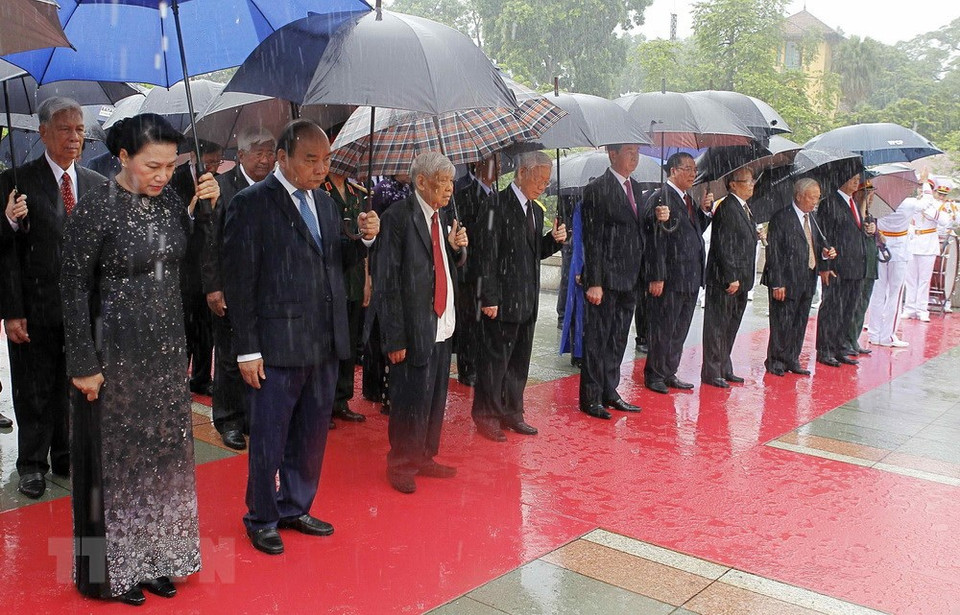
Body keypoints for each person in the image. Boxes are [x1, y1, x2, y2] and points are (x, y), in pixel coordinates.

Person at [60, 113, 219, 605]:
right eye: (153, 166)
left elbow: (186, 261)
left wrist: (206, 214)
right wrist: (83, 363)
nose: (163, 176)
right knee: (116, 466)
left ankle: (155, 561)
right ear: (124, 157)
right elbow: (72, 287)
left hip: (166, 352)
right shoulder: (95, 208)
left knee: (161, 460)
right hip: (113, 355)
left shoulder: (169, 201)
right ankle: (111, 572)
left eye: (170, 166)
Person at [222, 119, 379, 555]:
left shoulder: (325, 203)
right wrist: (247, 349)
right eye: (311, 159)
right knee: (269, 437)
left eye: (325, 159)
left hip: (324, 342)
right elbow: (240, 283)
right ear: (282, 157)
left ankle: (295, 505)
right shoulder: (252, 203)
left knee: (311, 435)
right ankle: (262, 516)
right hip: (276, 344)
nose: (320, 168)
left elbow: (333, 260)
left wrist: (363, 241)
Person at [0, 97, 106, 499]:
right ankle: (31, 463)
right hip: (35, 306)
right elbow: (6, 255)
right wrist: (9, 221)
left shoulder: (96, 184)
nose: (74, 138)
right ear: (43, 132)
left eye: (79, 130)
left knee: (72, 386)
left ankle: (65, 454)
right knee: (34, 389)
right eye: (65, 129)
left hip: (82, 310)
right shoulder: (16, 182)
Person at [375, 151, 467, 494]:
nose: (449, 189)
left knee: (434, 397)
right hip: (413, 325)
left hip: (441, 321)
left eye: (451, 182)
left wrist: (457, 249)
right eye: (443, 182)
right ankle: (401, 462)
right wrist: (395, 337)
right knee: (409, 399)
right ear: (422, 182)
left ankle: (425, 455)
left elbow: (442, 265)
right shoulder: (398, 217)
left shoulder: (442, 217)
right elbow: (387, 280)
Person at [472, 151, 565, 441]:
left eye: (546, 182)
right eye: (539, 179)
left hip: (527, 299)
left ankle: (512, 412)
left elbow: (532, 253)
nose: (542, 186)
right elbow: (485, 254)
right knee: (494, 361)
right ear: (522, 173)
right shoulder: (495, 204)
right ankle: (487, 414)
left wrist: (553, 241)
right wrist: (488, 297)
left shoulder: (536, 211)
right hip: (501, 299)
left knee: (519, 361)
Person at [200, 127, 276, 450]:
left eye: (270, 153)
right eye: (258, 152)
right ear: (241, 155)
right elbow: (209, 240)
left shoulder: (275, 187)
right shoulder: (222, 187)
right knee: (230, 356)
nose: (265, 159)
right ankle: (228, 419)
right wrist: (213, 286)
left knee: (259, 353)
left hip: (267, 288)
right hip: (231, 286)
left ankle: (252, 415)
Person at [578, 144, 650, 419]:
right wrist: (594, 281)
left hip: (630, 277)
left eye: (637, 152)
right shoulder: (597, 189)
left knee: (618, 338)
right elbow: (593, 238)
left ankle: (610, 390)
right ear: (612, 154)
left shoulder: (637, 187)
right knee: (598, 339)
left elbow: (637, 230)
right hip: (606, 279)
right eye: (629, 151)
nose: (634, 157)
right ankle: (591, 397)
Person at [642, 153, 712, 394]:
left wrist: (705, 211)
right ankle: (655, 374)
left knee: (679, 329)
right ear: (673, 170)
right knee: (664, 328)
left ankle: (669, 371)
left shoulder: (687, 199)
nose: (693, 174)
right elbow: (653, 239)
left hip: (690, 276)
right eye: (688, 169)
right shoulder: (660, 197)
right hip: (670, 276)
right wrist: (656, 275)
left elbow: (694, 231)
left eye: (694, 169)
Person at [762, 178, 830, 376]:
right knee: (782, 321)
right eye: (812, 198)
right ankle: (776, 360)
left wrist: (826, 254)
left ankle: (792, 358)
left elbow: (816, 245)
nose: (815, 202)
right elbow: (774, 252)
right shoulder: (782, 218)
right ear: (799, 196)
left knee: (800, 321)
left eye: (817, 198)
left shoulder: (813, 218)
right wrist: (777, 282)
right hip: (786, 279)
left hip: (807, 277)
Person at [173, 139, 223, 397]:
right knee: (184, 326)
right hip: (184, 265)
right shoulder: (176, 178)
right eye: (209, 161)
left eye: (217, 161)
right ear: (194, 156)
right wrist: (191, 207)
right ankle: (178, 377)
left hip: (208, 264)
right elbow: (173, 220)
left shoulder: (218, 183)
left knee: (206, 328)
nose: (213, 166)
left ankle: (202, 378)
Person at [701, 167, 758, 388]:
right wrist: (731, 276)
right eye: (747, 181)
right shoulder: (726, 207)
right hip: (725, 279)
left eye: (752, 181)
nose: (752, 185)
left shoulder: (744, 208)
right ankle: (712, 370)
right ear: (733, 184)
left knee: (731, 325)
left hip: (742, 279)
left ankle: (724, 366)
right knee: (717, 326)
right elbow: (724, 245)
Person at [362, 174, 412, 414]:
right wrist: (370, 274)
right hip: (383, 262)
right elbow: (372, 236)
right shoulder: (382, 191)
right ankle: (376, 388)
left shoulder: (411, 190)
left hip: (405, 266)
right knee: (381, 329)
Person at [323, 170, 370, 425]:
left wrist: (367, 280)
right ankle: (325, 402)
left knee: (349, 344)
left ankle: (342, 399)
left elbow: (364, 242)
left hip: (354, 279)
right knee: (331, 344)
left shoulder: (356, 193)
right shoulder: (320, 190)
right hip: (332, 276)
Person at [815, 172, 874, 368]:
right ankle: (825, 349)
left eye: (858, 179)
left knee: (848, 309)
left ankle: (840, 347)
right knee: (832, 309)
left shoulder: (854, 203)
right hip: (838, 266)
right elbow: (823, 236)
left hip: (856, 267)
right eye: (853, 178)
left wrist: (868, 229)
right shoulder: (830, 203)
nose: (857, 182)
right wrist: (825, 266)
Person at [453, 155, 498, 387]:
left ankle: (482, 363)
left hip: (491, 270)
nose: (498, 166)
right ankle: (467, 368)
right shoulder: (464, 194)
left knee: (485, 323)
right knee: (469, 321)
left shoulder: (497, 196)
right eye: (493, 161)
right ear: (479, 164)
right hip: (470, 269)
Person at [868, 188, 925, 347]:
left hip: (881, 248)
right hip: (899, 251)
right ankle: (888, 336)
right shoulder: (909, 203)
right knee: (895, 294)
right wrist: (925, 187)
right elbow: (926, 204)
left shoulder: (878, 203)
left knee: (877, 293)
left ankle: (874, 333)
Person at [843, 181, 879, 356]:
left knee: (863, 304)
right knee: (853, 304)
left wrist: (875, 230)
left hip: (870, 264)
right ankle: (847, 339)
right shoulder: (853, 212)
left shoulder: (870, 214)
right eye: (866, 193)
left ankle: (854, 339)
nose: (870, 197)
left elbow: (876, 238)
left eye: (871, 194)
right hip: (857, 264)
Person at [903, 184, 948, 322]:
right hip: (913, 242)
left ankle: (922, 310)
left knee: (924, 280)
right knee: (910, 279)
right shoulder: (913, 203)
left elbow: (945, 221)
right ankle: (909, 308)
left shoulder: (937, 205)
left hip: (928, 244)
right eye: (919, 188)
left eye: (924, 188)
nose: (921, 191)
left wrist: (929, 210)